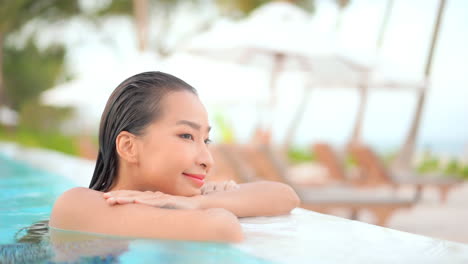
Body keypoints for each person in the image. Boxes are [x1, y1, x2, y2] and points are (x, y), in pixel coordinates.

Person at [49, 71, 300, 243]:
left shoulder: (177, 199)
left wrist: (196, 203)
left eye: (206, 140)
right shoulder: (75, 205)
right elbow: (222, 228)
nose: (207, 160)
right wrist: (209, 203)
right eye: (186, 136)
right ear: (128, 146)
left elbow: (285, 195)